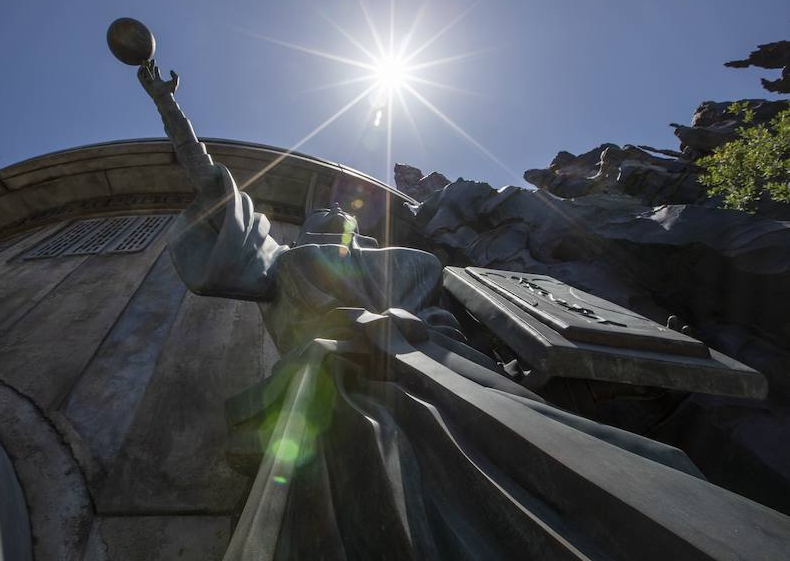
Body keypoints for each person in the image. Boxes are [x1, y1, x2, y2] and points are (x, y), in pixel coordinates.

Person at [135, 60, 790, 560]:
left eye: (339, 206)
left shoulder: (406, 257)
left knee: (617, 487)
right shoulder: (278, 263)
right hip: (348, 385)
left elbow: (493, 316)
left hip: (460, 373)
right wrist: (170, 106)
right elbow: (213, 186)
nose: (331, 210)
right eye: (317, 210)